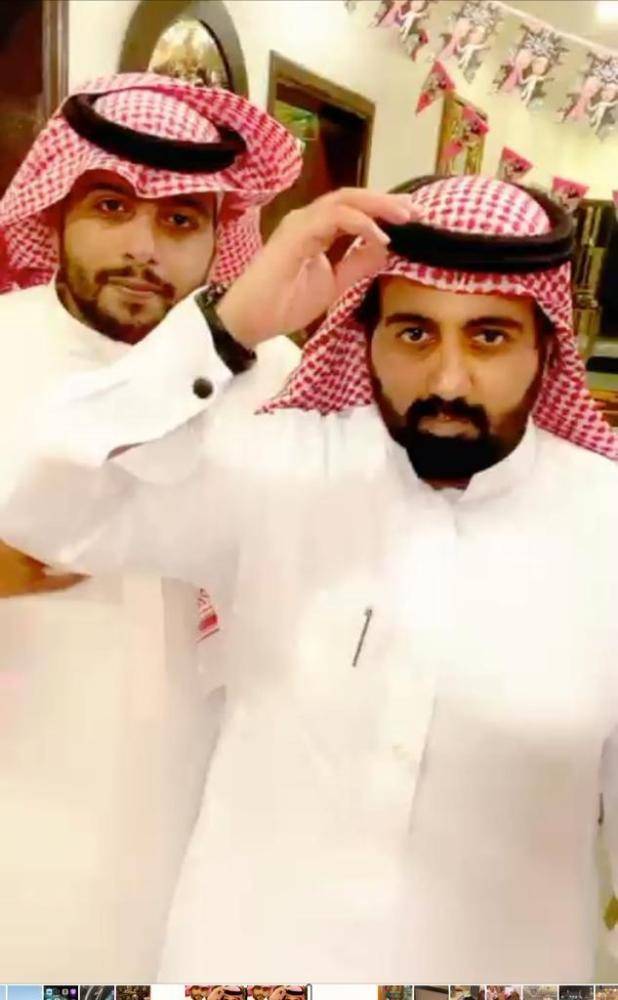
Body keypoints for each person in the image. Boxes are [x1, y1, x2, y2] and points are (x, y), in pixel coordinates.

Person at [1, 175, 617, 981]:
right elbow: (36, 503)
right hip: (251, 966)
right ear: (366, 334)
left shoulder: (603, 523)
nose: (447, 381)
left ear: (548, 346)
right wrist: (226, 331)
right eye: (413, 333)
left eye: (490, 337)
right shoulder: (278, 466)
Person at [0, 71, 301, 980]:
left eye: (178, 219)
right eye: (111, 207)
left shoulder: (275, 378)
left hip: (203, 793)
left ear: (218, 235)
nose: (143, 246)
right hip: (28, 776)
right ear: (57, 210)